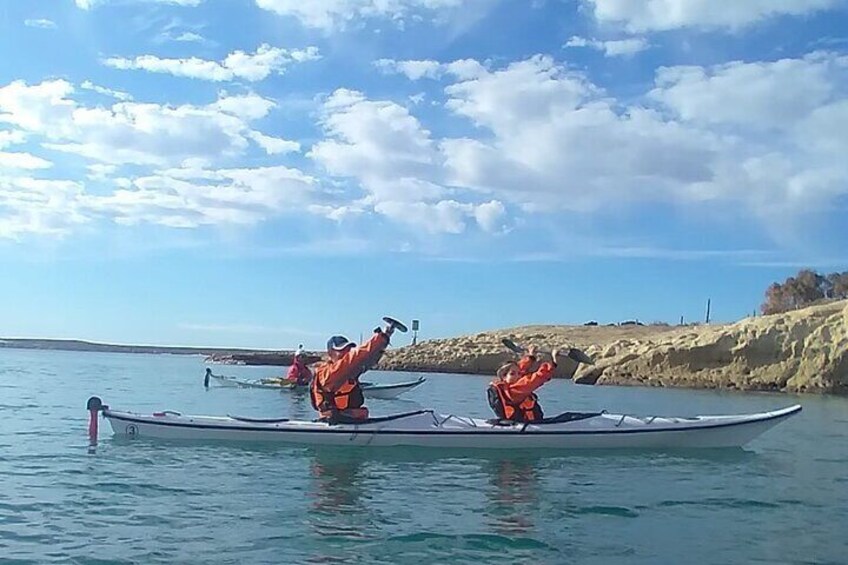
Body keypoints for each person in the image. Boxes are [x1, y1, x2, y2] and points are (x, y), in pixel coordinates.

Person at [310, 321, 395, 423]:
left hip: (351, 420)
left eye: (348, 349)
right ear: (330, 353)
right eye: (341, 350)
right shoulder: (326, 374)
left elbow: (367, 360)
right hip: (334, 421)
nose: (346, 353)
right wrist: (380, 337)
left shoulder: (350, 371)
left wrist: (384, 341)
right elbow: (354, 359)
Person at [487, 348, 559, 423]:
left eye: (519, 373)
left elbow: (520, 368)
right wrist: (552, 362)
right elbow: (536, 379)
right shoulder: (514, 390)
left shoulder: (507, 386)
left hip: (524, 423)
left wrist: (530, 357)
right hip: (526, 424)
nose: (518, 376)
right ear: (504, 377)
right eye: (512, 374)